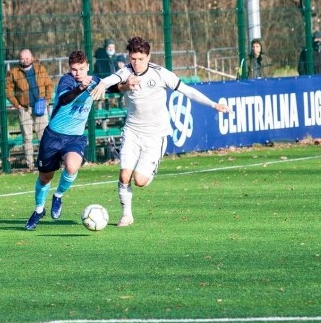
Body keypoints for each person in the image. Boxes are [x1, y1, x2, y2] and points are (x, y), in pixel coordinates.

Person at [89, 36, 230, 227]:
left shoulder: (161, 74)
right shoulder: (127, 71)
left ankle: (152, 165)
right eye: (133, 59)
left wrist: (214, 104)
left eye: (139, 59)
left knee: (139, 180)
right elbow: (113, 78)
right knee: (124, 175)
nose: (136, 63)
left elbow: (188, 91)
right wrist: (103, 84)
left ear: (148, 56)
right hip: (132, 130)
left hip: (155, 135)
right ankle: (126, 215)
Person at [25, 50, 101, 231]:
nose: (78, 73)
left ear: (87, 67)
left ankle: (58, 196)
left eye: (81, 69)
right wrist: (80, 88)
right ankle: (39, 210)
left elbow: (112, 85)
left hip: (74, 137)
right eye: (74, 69)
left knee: (72, 166)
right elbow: (66, 99)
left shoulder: (95, 80)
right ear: (69, 68)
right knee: (45, 177)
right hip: (53, 137)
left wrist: (125, 84)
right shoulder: (67, 81)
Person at [5, 49, 54, 170]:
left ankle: (45, 161)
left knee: (44, 136)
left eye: (27, 58)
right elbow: (8, 90)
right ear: (19, 59)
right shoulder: (14, 72)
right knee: (27, 138)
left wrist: (47, 100)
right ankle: (30, 164)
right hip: (25, 109)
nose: (25, 60)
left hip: (40, 106)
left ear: (32, 57)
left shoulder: (39, 68)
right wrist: (17, 105)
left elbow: (49, 84)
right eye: (22, 58)